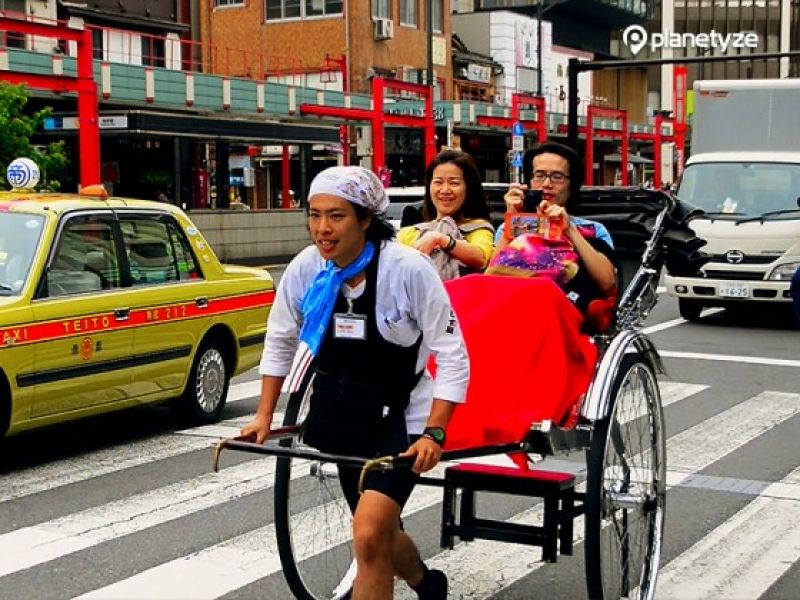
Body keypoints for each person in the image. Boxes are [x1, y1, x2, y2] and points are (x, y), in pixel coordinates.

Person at [241, 165, 469, 599]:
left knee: (367, 535)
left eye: (337, 216)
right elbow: (281, 337)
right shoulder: (308, 267)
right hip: (341, 414)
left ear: (366, 219)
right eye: (314, 215)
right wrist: (264, 415)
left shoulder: (407, 269)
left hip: (400, 418)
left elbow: (454, 354)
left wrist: (435, 433)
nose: (322, 229)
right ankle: (427, 583)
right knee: (378, 534)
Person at [493, 142, 617, 326]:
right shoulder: (510, 227)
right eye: (539, 176)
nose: (546, 184)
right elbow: (490, 279)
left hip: (565, 316)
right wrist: (514, 219)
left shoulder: (593, 230)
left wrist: (569, 230)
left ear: (571, 184)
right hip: (513, 312)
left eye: (557, 177)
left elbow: (607, 283)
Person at [397, 150, 494, 280]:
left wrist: (442, 240)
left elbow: (481, 259)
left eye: (454, 183)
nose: (445, 190)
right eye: (438, 182)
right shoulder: (408, 233)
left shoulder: (479, 229)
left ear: (468, 188)